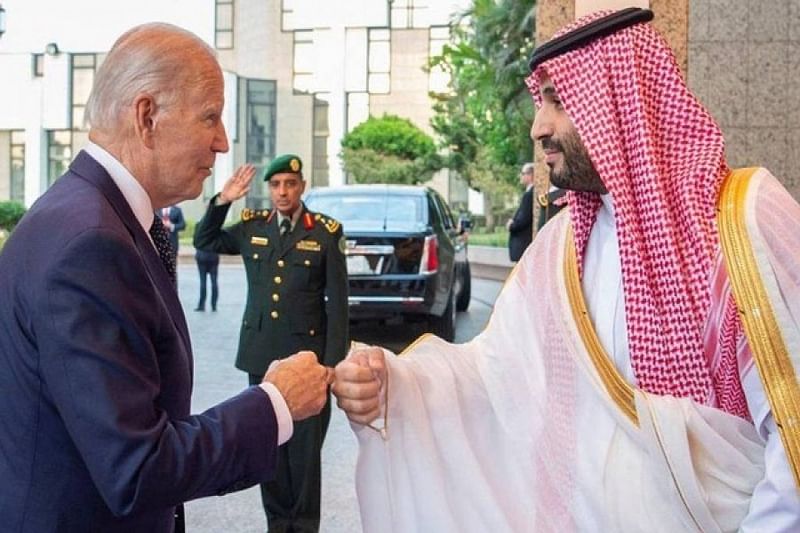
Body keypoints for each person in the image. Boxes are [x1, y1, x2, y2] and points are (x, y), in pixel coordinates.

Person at [332, 8, 800, 532]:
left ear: (620, 100)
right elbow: (496, 377)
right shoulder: (559, 247)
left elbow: (793, 431)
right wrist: (393, 384)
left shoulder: (742, 218)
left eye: (558, 99)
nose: (539, 127)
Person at [0, 23, 334, 532]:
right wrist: (274, 404)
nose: (223, 142)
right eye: (210, 117)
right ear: (147, 116)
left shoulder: (89, 216)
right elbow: (137, 468)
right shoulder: (90, 243)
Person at [194, 154, 349, 532]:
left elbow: (339, 304)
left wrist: (332, 363)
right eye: (276, 185)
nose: (283, 192)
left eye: (290, 184)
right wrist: (224, 199)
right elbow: (206, 239)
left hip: (309, 360)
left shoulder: (325, 232)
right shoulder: (252, 227)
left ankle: (304, 526)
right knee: (271, 447)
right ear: (269, 189)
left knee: (305, 455)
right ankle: (277, 525)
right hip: (262, 357)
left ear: (302, 187)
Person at [506, 162, 535, 261]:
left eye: (523, 173)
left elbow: (523, 220)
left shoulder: (529, 195)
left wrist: (511, 225)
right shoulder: (529, 193)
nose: (521, 176)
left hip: (523, 245)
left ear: (531, 175)